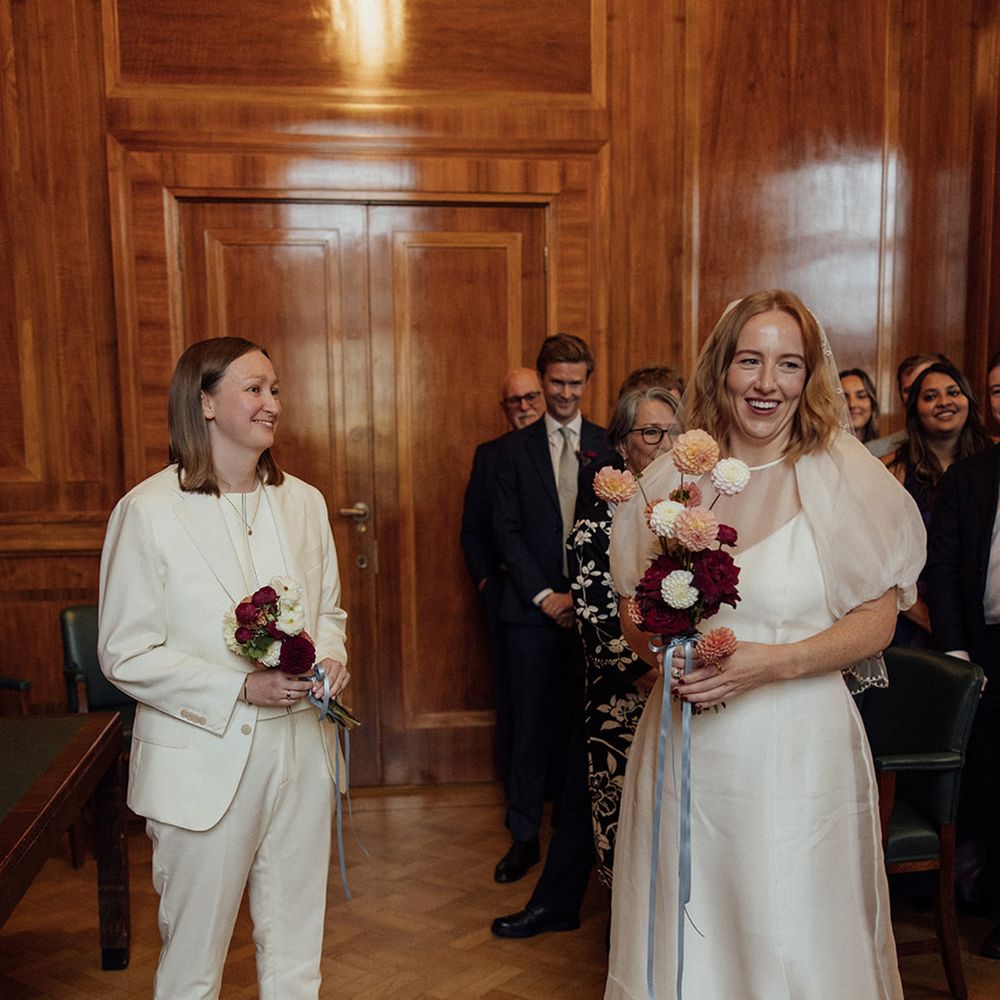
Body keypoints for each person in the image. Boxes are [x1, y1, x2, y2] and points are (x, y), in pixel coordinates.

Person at [605, 290, 925, 998]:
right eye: (750, 360)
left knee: (790, 931)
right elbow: (633, 604)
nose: (766, 383)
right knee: (692, 928)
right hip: (686, 746)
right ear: (723, 369)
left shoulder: (846, 480)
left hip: (798, 749)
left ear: (808, 377)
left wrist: (766, 665)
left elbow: (879, 622)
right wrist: (656, 650)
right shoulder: (677, 482)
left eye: (787, 365)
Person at [98, 337, 350, 1000]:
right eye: (254, 389)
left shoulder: (305, 502)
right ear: (205, 402)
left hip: (301, 750)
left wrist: (330, 658)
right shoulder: (148, 511)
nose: (272, 403)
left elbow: (328, 612)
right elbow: (125, 650)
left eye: (275, 390)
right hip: (202, 760)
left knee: (297, 950)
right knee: (193, 963)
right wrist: (239, 686)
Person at [491, 374, 681, 941]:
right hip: (625, 691)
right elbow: (597, 616)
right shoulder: (599, 521)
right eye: (652, 433)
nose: (667, 445)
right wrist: (651, 672)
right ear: (623, 445)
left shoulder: (701, 514)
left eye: (676, 433)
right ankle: (627, 930)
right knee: (601, 807)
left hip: (694, 691)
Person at [491, 333, 610, 884]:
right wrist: (546, 597)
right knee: (529, 721)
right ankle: (522, 836)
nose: (565, 393)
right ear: (541, 381)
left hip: (592, 609)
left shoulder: (608, 447)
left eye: (575, 382)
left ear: (587, 381)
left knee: (578, 721)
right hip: (530, 611)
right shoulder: (510, 452)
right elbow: (506, 532)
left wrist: (581, 598)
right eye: (556, 382)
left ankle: (573, 831)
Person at [926, 436, 1000, 958]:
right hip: (986, 649)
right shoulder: (970, 476)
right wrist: (954, 650)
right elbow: (944, 569)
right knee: (994, 779)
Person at [460, 367, 545, 787]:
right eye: (516, 400)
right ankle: (517, 798)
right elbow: (473, 531)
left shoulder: (578, 449)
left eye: (532, 397)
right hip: (510, 602)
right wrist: (487, 587)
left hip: (570, 601)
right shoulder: (490, 455)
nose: (525, 406)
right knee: (516, 706)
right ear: (504, 408)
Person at [882, 361, 992, 647]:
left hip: (979, 623)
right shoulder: (892, 470)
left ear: (968, 399)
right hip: (912, 617)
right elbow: (881, 561)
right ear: (914, 408)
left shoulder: (991, 462)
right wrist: (934, 621)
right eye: (930, 397)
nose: (944, 402)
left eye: (953, 392)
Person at [867, 351, 951, 457]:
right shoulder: (875, 453)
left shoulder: (977, 449)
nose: (917, 395)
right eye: (910, 390)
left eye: (929, 388)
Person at [839, 367, 880, 443]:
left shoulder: (886, 449)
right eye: (844, 398)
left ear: (872, 402)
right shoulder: (824, 452)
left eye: (861, 396)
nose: (852, 404)